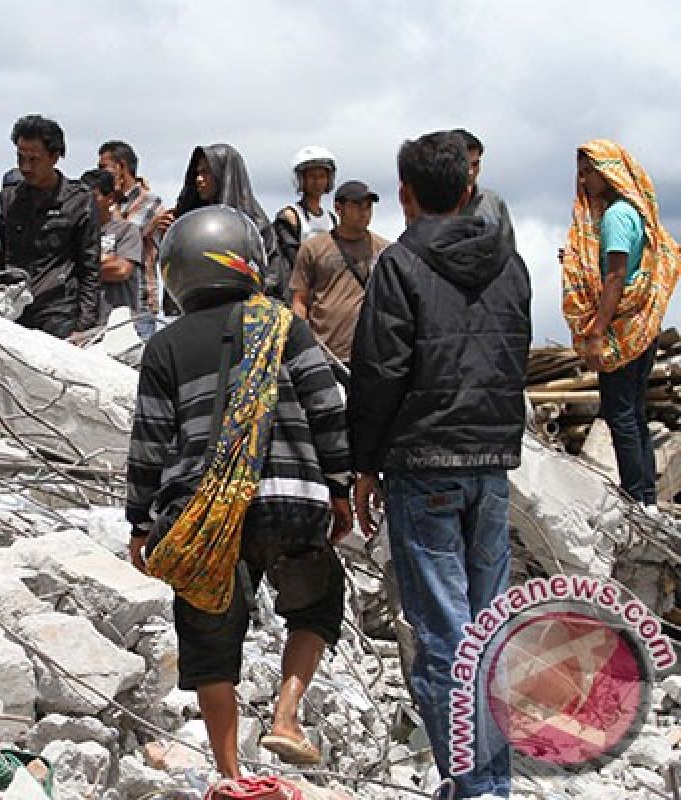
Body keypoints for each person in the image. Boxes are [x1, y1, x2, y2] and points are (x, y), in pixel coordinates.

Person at [127, 205, 352, 780]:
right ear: (247, 263)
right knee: (316, 600)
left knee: (209, 643)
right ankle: (285, 715)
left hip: (203, 517)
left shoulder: (165, 347)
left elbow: (151, 442)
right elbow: (328, 407)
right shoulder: (283, 323)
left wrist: (139, 523)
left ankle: (230, 774)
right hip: (291, 502)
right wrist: (341, 486)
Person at [348, 131, 531, 799]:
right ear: (466, 188)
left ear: (406, 194)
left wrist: (363, 464)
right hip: (492, 463)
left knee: (446, 636)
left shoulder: (399, 265)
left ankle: (478, 783)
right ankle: (490, 781)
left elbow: (378, 373)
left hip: (424, 463)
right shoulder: (512, 263)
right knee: (488, 630)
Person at [563, 141, 680, 510]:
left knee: (620, 414)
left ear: (609, 171)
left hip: (620, 331)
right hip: (641, 332)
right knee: (633, 410)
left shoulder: (615, 217)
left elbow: (615, 278)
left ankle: (637, 497)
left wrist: (596, 332)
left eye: (589, 172)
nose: (583, 181)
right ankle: (645, 495)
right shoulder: (634, 213)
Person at [0, 114, 100, 339]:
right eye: (20, 158)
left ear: (54, 157)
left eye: (33, 159)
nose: (25, 167)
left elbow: (89, 268)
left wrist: (83, 327)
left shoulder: (79, 201)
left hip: (59, 314)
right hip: (13, 313)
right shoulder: (8, 200)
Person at [153, 144, 287, 300]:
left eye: (206, 172)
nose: (199, 179)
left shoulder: (256, 226)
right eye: (197, 173)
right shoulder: (190, 223)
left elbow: (273, 278)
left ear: (223, 174)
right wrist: (168, 237)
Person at [290, 180, 389, 368]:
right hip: (325, 352)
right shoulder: (314, 248)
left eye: (368, 205)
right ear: (338, 208)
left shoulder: (384, 250)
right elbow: (299, 300)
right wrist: (304, 343)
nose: (364, 211)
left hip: (370, 354)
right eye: (356, 205)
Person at [99, 140, 164, 322]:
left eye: (104, 167)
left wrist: (112, 200)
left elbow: (126, 235)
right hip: (107, 301)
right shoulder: (108, 202)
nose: (100, 174)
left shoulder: (149, 201)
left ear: (121, 167)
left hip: (139, 302)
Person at [80, 169, 142, 324]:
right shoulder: (76, 234)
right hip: (82, 328)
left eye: (93, 197)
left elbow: (121, 271)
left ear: (110, 198)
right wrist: (104, 261)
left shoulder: (127, 231)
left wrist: (81, 267)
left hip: (117, 328)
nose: (85, 204)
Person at [274, 147, 338, 284]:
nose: (317, 182)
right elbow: (290, 259)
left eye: (322, 176)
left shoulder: (331, 219)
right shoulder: (290, 216)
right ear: (300, 179)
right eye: (312, 177)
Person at [453, 129, 516, 251]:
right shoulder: (432, 206)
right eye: (465, 165)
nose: (471, 172)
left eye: (475, 164)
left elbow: (509, 256)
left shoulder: (494, 203)